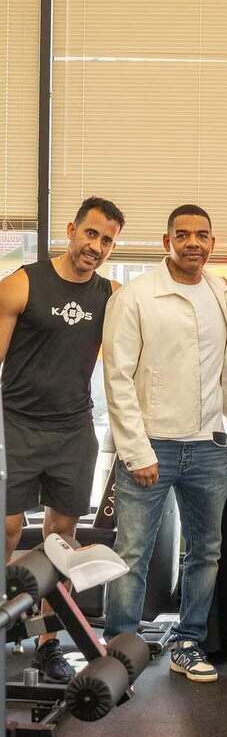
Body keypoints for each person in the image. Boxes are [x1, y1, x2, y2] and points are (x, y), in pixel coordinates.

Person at [102, 205, 227, 685]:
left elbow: (224, 366)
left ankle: (188, 642)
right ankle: (118, 651)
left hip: (208, 445)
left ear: (212, 243)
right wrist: (136, 450)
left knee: (206, 552)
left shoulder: (222, 292)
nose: (193, 242)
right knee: (132, 554)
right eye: (183, 235)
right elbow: (117, 378)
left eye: (202, 235)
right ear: (167, 241)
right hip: (151, 445)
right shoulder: (135, 296)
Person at [1, 196, 125, 682]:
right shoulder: (23, 283)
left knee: (62, 538)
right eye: (90, 234)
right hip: (15, 424)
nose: (96, 246)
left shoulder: (111, 296)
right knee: (8, 528)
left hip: (73, 429)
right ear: (72, 230)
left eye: (107, 240)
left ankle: (48, 643)